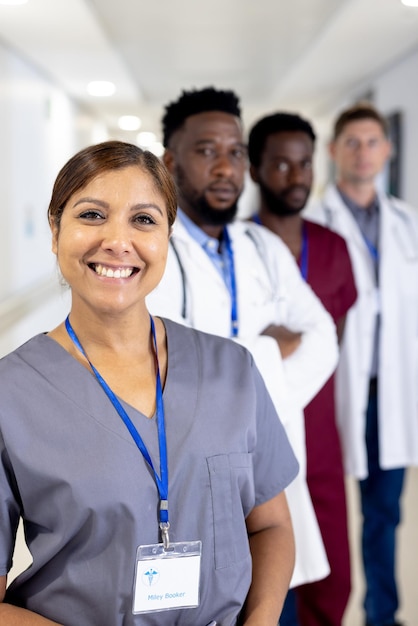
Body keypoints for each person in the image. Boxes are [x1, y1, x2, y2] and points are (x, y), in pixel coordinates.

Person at [0, 140, 300, 626]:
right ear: (55, 232)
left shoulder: (232, 370)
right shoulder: (11, 393)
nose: (118, 240)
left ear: (167, 237)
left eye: (144, 220)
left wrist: (261, 620)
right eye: (92, 215)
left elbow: (271, 526)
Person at [146, 87, 340, 589]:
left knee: (272, 593)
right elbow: (158, 364)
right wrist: (272, 348)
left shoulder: (262, 246)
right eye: (207, 151)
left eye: (236, 153)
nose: (226, 168)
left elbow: (323, 336)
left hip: (268, 478)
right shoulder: (151, 249)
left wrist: (235, 377)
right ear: (171, 161)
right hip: (188, 475)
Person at [305, 103, 418, 626]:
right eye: (352, 142)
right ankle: (321, 612)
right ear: (333, 151)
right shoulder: (311, 224)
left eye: (373, 142)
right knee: (323, 512)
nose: (364, 152)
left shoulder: (407, 222)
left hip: (391, 394)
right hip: (330, 394)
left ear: (388, 150)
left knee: (384, 515)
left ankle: (382, 615)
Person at [248, 112, 357, 626]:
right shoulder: (238, 247)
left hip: (320, 426)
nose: (296, 177)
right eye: (281, 164)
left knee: (332, 572)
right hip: (259, 432)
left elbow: (329, 337)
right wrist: (275, 344)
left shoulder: (333, 247)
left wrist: (282, 343)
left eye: (305, 164)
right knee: (268, 572)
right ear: (256, 169)